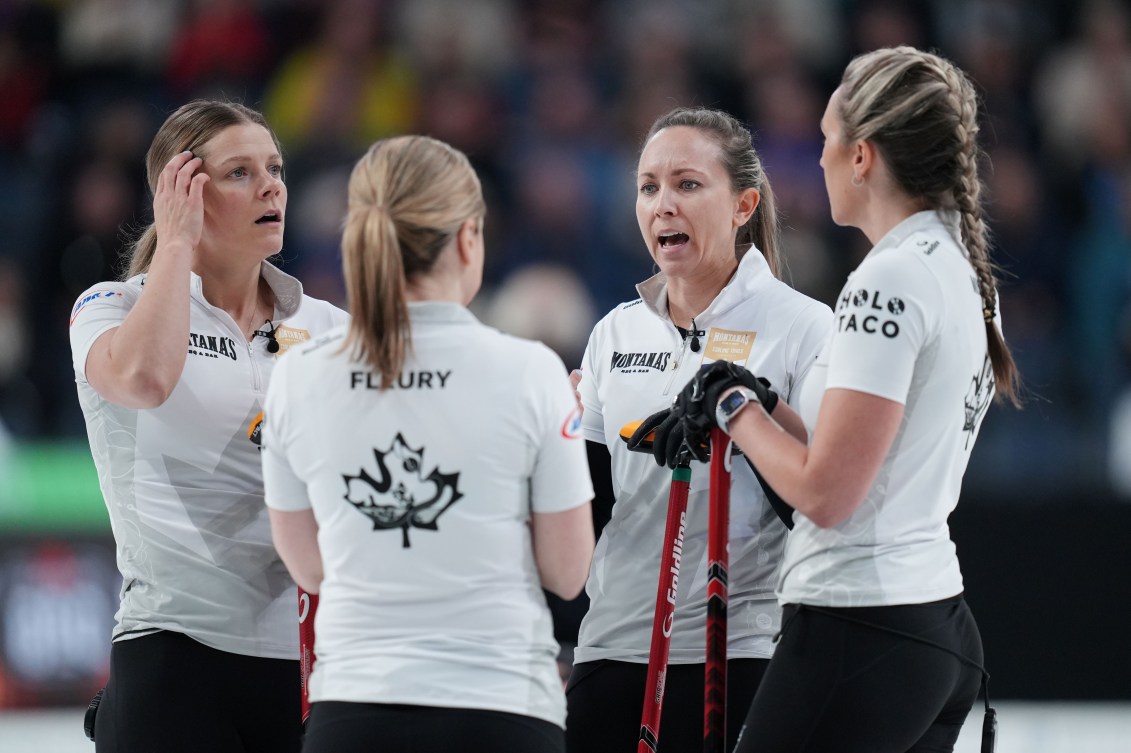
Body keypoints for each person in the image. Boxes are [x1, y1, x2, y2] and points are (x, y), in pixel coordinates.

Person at [653, 47, 1022, 752]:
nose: (815, 159)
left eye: (825, 140)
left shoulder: (886, 281)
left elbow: (826, 493)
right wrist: (754, 399)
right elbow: (860, 450)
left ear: (862, 157)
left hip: (857, 625)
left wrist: (734, 410)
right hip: (924, 626)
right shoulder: (956, 266)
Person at [260, 135, 595, 753]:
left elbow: (309, 567)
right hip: (501, 706)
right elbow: (568, 572)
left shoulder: (299, 375)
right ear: (469, 238)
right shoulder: (529, 371)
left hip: (354, 710)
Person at [68, 99, 348, 753]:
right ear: (180, 190)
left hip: (313, 662)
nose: (272, 184)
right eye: (240, 172)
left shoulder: (332, 327)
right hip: (174, 654)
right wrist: (177, 242)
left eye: (274, 167)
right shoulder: (111, 306)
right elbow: (143, 379)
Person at [566, 107, 833, 753]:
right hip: (613, 647)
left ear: (743, 205)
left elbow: (825, 503)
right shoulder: (614, 331)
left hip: (742, 649)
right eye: (648, 186)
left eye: (686, 184)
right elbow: (590, 506)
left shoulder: (804, 326)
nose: (662, 205)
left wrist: (747, 414)